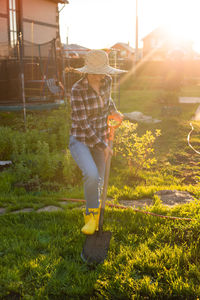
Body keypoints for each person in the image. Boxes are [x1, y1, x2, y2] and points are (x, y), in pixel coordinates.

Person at [69, 49, 126, 235]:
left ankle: (95, 218)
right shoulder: (77, 90)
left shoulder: (106, 81)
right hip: (81, 139)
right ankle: (90, 219)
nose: (96, 76)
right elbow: (83, 125)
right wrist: (104, 146)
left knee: (99, 180)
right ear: (86, 71)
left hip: (100, 136)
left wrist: (115, 111)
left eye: (100, 71)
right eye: (93, 71)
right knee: (92, 175)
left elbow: (107, 102)